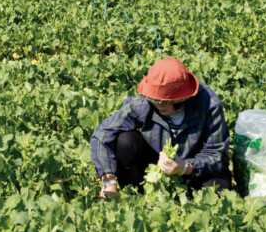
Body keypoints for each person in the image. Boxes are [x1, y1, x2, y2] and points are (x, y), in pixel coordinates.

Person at [91, 57, 233, 198]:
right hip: (154, 165)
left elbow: (217, 155)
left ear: (181, 99)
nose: (158, 105)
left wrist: (184, 167)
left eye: (164, 102)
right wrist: (109, 180)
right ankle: (137, 192)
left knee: (218, 190)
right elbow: (102, 134)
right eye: (155, 100)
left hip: (193, 167)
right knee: (126, 141)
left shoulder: (209, 105)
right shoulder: (145, 101)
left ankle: (185, 195)